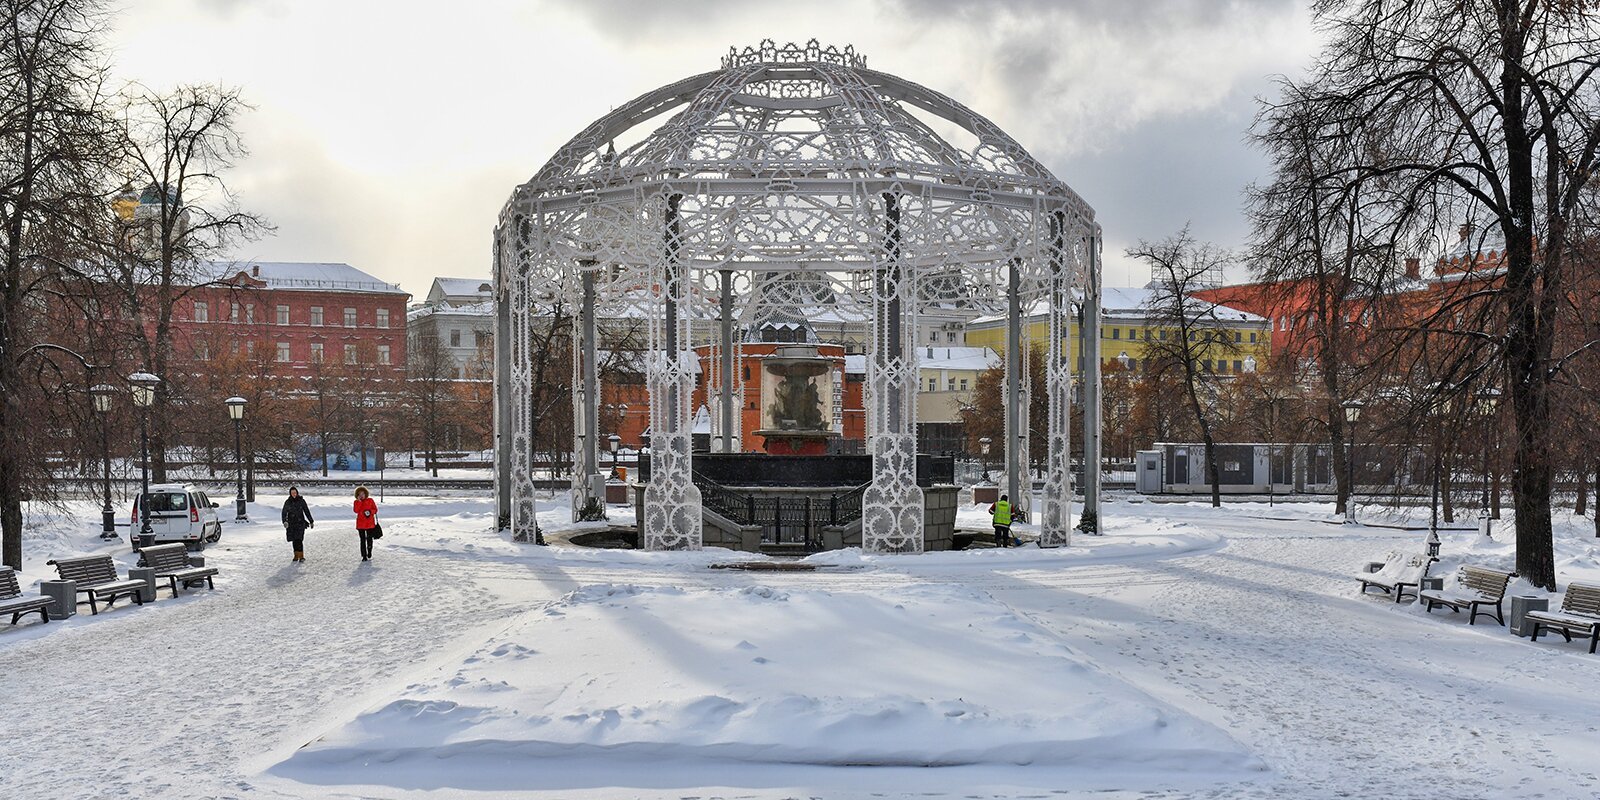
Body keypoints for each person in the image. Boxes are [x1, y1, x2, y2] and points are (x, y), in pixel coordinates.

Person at [281, 486, 314, 562]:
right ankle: (296, 555)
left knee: (299, 539)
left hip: (300, 523)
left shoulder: (301, 501)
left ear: (297, 492)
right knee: (294, 540)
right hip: (291, 524)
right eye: (292, 493)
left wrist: (311, 521)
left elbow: (306, 511)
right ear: (290, 493)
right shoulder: (288, 502)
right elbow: (284, 513)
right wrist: (284, 521)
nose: (294, 494)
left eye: (295, 492)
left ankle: (301, 556)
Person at [353, 485, 379, 562]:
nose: (361, 496)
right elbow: (356, 510)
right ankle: (364, 555)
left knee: (369, 539)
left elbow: (375, 509)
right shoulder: (356, 502)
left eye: (363, 494)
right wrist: (359, 502)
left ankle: (369, 552)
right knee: (362, 540)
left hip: (369, 524)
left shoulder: (370, 500)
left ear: (366, 494)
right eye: (359, 494)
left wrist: (370, 512)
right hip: (360, 524)